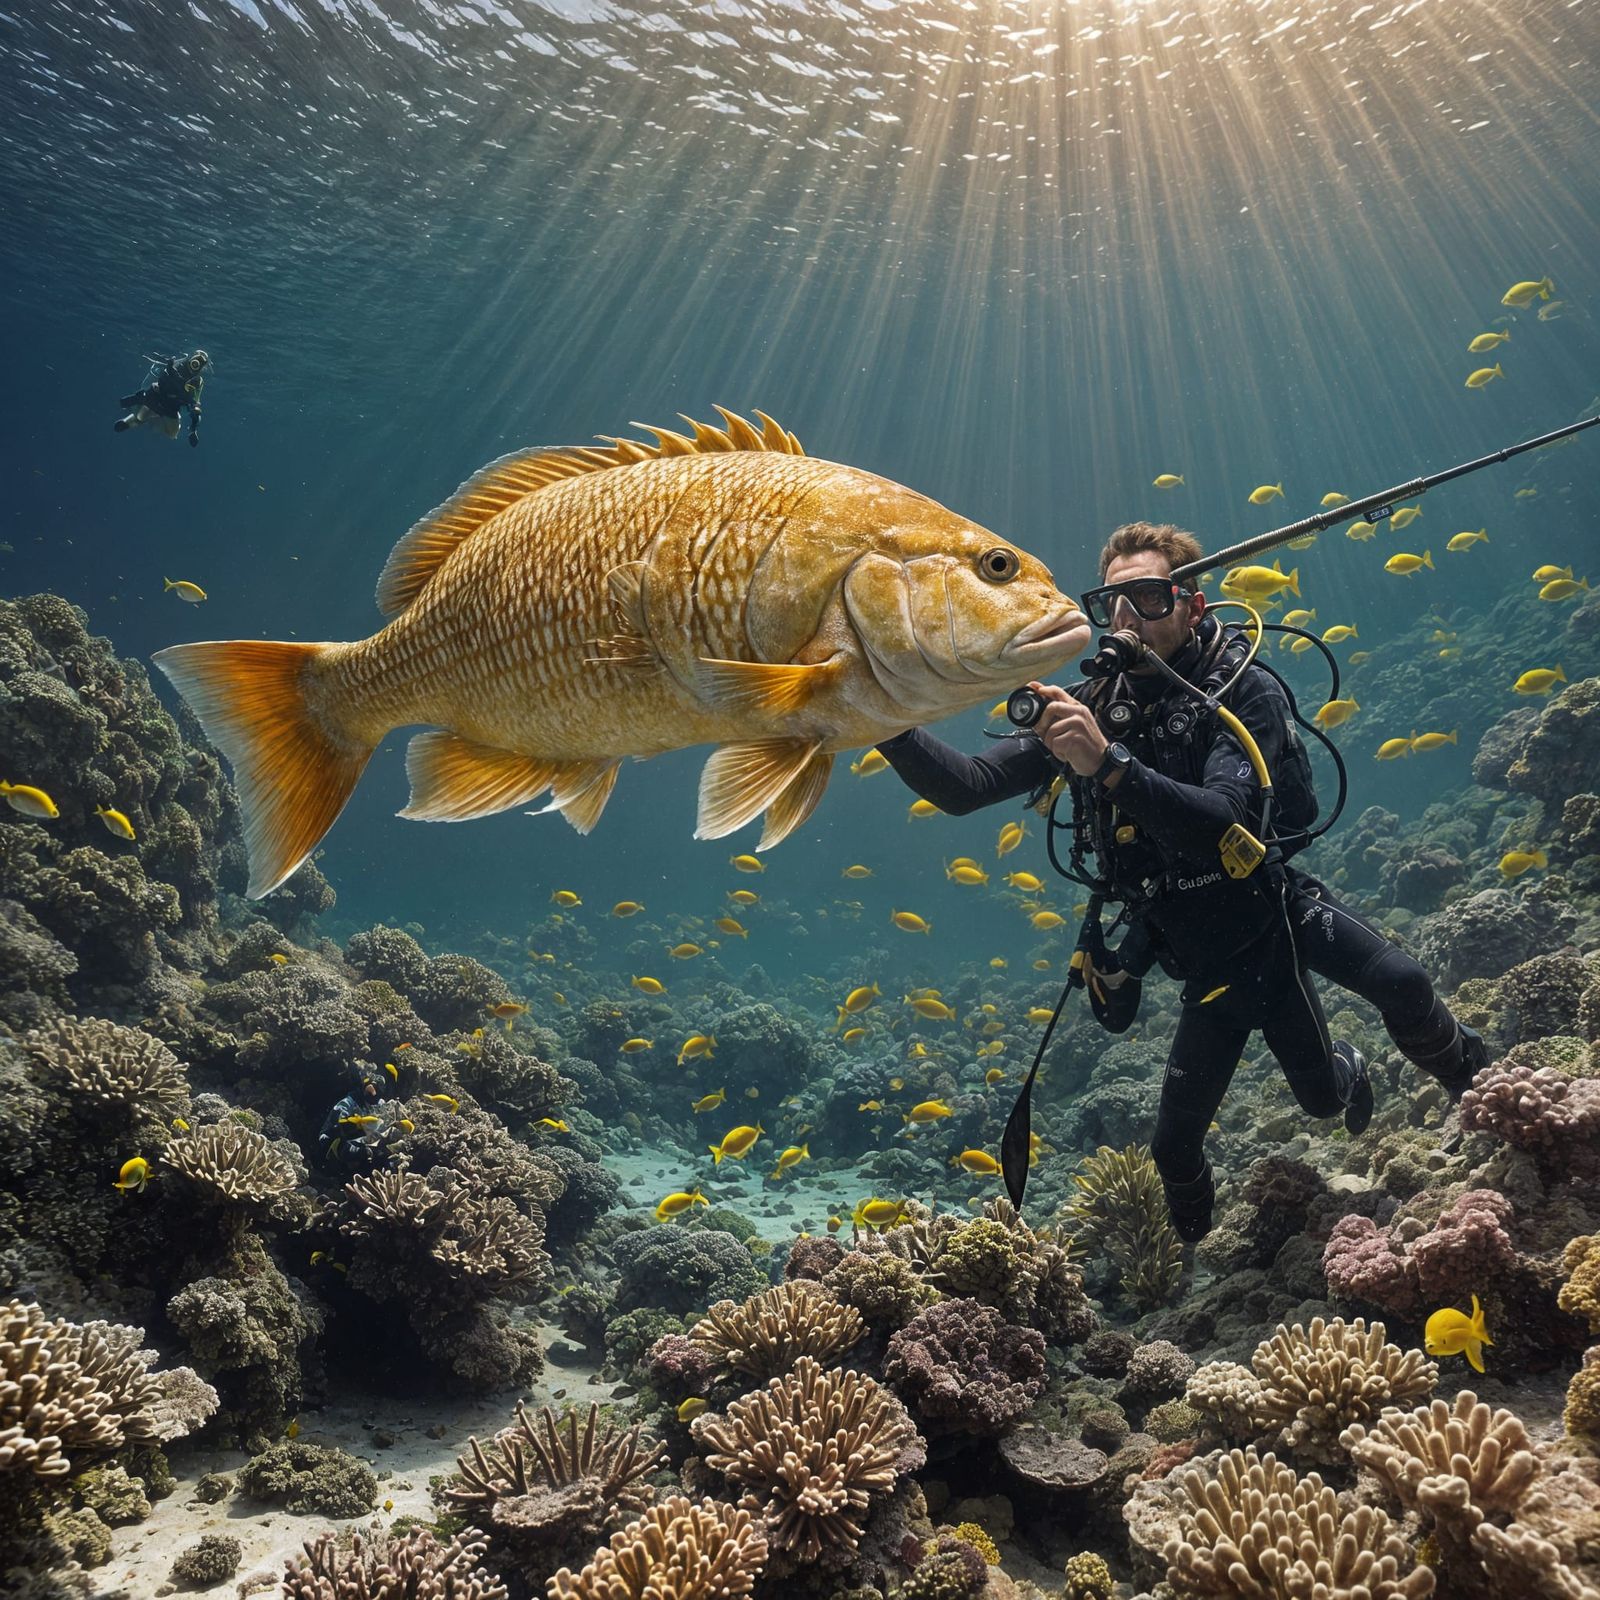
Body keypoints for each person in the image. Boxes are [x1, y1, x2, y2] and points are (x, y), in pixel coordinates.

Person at [875, 520, 1488, 1243]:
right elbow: (967, 785)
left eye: (1150, 598)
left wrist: (1108, 766)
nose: (1129, 618)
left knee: (1399, 993)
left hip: (1270, 916)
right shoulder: (1094, 704)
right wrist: (875, 714)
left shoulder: (1240, 688)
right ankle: (1196, 1265)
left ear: (1193, 607)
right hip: (1194, 951)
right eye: (1114, 603)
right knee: (1171, 1149)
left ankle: (1483, 1102)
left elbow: (1226, 817)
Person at [114, 350, 208, 446]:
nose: (197, 363)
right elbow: (195, 405)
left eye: (201, 362)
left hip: (166, 404)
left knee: (167, 430)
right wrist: (193, 429)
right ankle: (136, 413)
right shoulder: (177, 364)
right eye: (196, 359)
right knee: (143, 418)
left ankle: (139, 408)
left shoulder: (196, 380)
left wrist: (193, 429)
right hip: (161, 399)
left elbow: (196, 405)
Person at [316, 1065, 396, 1174]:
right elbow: (328, 1134)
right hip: (335, 1149)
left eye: (377, 1090)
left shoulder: (382, 1105)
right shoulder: (347, 1104)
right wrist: (356, 1129)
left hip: (367, 1146)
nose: (372, 1092)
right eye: (370, 1087)